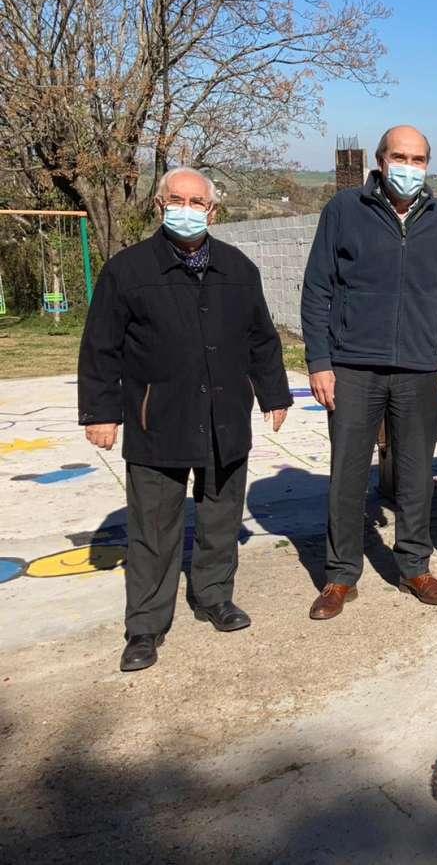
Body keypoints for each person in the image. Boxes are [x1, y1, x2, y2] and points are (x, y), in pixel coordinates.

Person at [79, 167, 291, 672]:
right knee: (153, 528)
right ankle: (146, 626)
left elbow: (261, 338)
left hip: (225, 416)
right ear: (159, 205)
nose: (187, 210)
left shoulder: (238, 268)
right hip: (158, 419)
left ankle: (214, 596)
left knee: (221, 517)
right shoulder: (127, 270)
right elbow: (101, 346)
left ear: (212, 211)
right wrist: (101, 413)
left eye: (198, 202)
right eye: (177, 200)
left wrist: (274, 395)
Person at [300, 125, 437, 620]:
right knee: (347, 475)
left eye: (418, 160)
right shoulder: (344, 210)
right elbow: (318, 288)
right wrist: (320, 361)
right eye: (400, 157)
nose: (408, 168)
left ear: (427, 165)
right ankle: (340, 575)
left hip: (418, 369)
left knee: (416, 474)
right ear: (380, 160)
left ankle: (414, 566)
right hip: (353, 366)